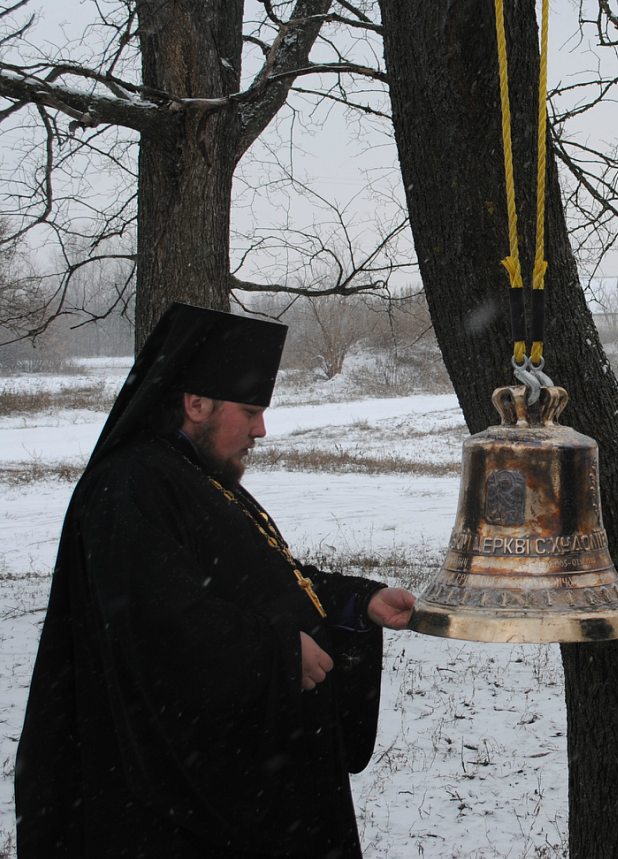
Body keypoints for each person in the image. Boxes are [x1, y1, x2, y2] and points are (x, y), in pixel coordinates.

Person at [14, 303, 419, 858]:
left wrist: (359, 602)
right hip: (171, 813)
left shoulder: (194, 477)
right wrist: (275, 656)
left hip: (249, 785)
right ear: (196, 402)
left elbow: (267, 579)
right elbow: (158, 625)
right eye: (250, 411)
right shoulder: (129, 486)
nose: (261, 430)